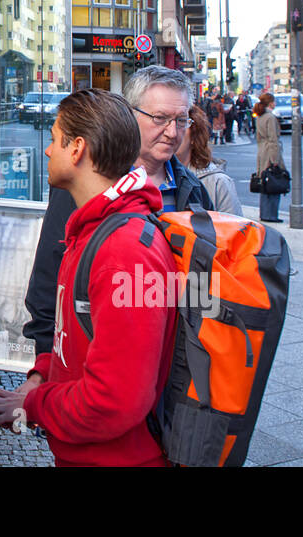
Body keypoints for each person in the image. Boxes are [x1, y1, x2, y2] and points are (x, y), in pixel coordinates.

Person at [0, 89, 177, 465]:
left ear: (77, 149)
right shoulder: (92, 229)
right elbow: (74, 338)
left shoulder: (125, 252)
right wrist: (41, 375)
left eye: (54, 139)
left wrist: (35, 403)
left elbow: (115, 401)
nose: (49, 150)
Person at [20, 67, 210, 380]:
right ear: (130, 115)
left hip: (171, 370)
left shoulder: (195, 191)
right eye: (160, 118)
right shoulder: (84, 184)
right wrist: (46, 369)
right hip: (89, 369)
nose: (173, 132)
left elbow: (205, 290)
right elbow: (49, 278)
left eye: (181, 120)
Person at [179, 105, 240, 215]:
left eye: (181, 123)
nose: (171, 132)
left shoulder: (218, 183)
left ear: (194, 136)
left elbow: (235, 229)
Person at [255, 92, 282, 223]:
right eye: (274, 101)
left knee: (264, 183)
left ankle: (265, 213)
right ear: (270, 103)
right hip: (270, 153)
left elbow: (258, 137)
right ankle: (271, 214)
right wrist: (275, 160)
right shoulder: (270, 117)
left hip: (262, 151)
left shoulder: (260, 116)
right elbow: (273, 139)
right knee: (274, 182)